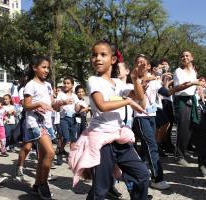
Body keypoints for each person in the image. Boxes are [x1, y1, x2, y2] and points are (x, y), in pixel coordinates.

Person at [69, 40, 150, 200]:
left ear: (113, 60)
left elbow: (140, 98)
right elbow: (102, 106)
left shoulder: (119, 83)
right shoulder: (94, 80)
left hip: (119, 139)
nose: (97, 58)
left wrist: (135, 79)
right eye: (94, 55)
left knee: (142, 175)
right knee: (101, 188)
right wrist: (127, 101)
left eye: (103, 54)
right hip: (101, 142)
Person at [23, 55, 64, 199]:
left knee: (42, 157)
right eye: (43, 67)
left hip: (47, 123)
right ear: (35, 68)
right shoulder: (30, 85)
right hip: (36, 124)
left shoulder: (47, 85)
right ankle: (43, 184)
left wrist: (59, 104)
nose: (47, 70)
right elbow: (26, 105)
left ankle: (36, 185)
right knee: (50, 153)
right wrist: (38, 104)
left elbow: (52, 104)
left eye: (48, 67)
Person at [132, 55, 170, 190]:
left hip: (152, 115)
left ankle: (135, 172)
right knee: (151, 145)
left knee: (146, 148)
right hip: (140, 116)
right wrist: (141, 81)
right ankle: (157, 178)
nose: (141, 65)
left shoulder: (155, 80)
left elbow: (166, 92)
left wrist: (173, 83)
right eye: (138, 62)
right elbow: (135, 94)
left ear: (149, 66)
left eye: (144, 63)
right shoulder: (133, 78)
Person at [172, 50, 206, 166]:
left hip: (193, 100)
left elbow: (195, 85)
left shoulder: (193, 71)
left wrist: (199, 87)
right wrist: (194, 83)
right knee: (183, 128)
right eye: (182, 56)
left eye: (187, 56)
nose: (184, 58)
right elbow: (180, 87)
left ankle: (187, 150)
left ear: (192, 58)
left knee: (193, 127)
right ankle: (179, 155)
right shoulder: (178, 71)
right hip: (182, 100)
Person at [55, 77, 81, 165]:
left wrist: (78, 107)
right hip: (64, 119)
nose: (65, 85)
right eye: (64, 83)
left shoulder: (74, 96)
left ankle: (72, 158)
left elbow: (77, 108)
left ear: (72, 85)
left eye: (68, 83)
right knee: (65, 137)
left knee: (73, 139)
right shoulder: (61, 94)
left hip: (73, 119)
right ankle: (60, 151)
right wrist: (63, 103)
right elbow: (57, 107)